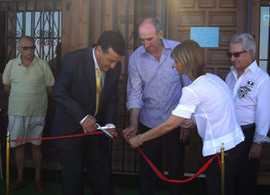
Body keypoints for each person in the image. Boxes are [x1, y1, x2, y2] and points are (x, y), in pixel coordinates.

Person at [127, 40, 245, 195]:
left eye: (176, 61)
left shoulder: (192, 90)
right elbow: (214, 110)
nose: (173, 65)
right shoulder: (212, 78)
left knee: (218, 190)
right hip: (235, 144)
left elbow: (168, 126)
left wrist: (139, 139)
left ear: (185, 62)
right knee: (227, 189)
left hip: (222, 151)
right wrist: (194, 121)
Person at [51, 30, 125, 195]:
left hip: (97, 135)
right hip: (70, 133)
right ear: (99, 50)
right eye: (111, 60)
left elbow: (112, 98)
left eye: (117, 62)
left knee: (103, 182)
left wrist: (109, 124)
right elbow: (58, 92)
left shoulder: (116, 65)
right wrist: (82, 117)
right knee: (73, 184)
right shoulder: (73, 59)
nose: (113, 66)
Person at [123, 18, 191, 195]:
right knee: (148, 170)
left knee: (176, 169)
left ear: (160, 35)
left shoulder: (178, 50)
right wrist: (134, 123)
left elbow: (189, 88)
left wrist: (187, 122)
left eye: (150, 39)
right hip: (148, 121)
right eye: (142, 39)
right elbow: (135, 93)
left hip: (175, 121)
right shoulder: (136, 58)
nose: (146, 44)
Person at [2, 36, 55, 192]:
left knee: (36, 145)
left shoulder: (43, 65)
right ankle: (19, 179)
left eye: (32, 47)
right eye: (26, 48)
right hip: (16, 113)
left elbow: (50, 88)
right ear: (19, 49)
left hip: (38, 112)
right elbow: (6, 88)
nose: (30, 50)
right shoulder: (11, 65)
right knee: (18, 146)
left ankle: (38, 180)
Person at [225, 33, 270, 195]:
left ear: (250, 53)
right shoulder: (230, 75)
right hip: (230, 133)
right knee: (229, 177)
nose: (232, 59)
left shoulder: (262, 79)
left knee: (246, 179)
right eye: (230, 54)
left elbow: (264, 113)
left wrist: (257, 142)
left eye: (237, 54)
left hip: (248, 134)